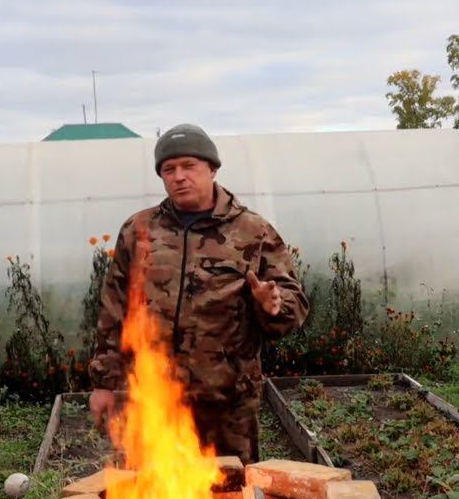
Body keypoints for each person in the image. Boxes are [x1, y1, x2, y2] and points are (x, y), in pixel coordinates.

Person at [87, 123, 309, 463]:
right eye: (168, 169)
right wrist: (104, 383)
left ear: (212, 169)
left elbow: (293, 303)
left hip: (227, 403)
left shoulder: (252, 232)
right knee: (156, 498)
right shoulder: (139, 230)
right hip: (153, 398)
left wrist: (273, 305)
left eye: (189, 166)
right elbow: (114, 308)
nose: (178, 176)